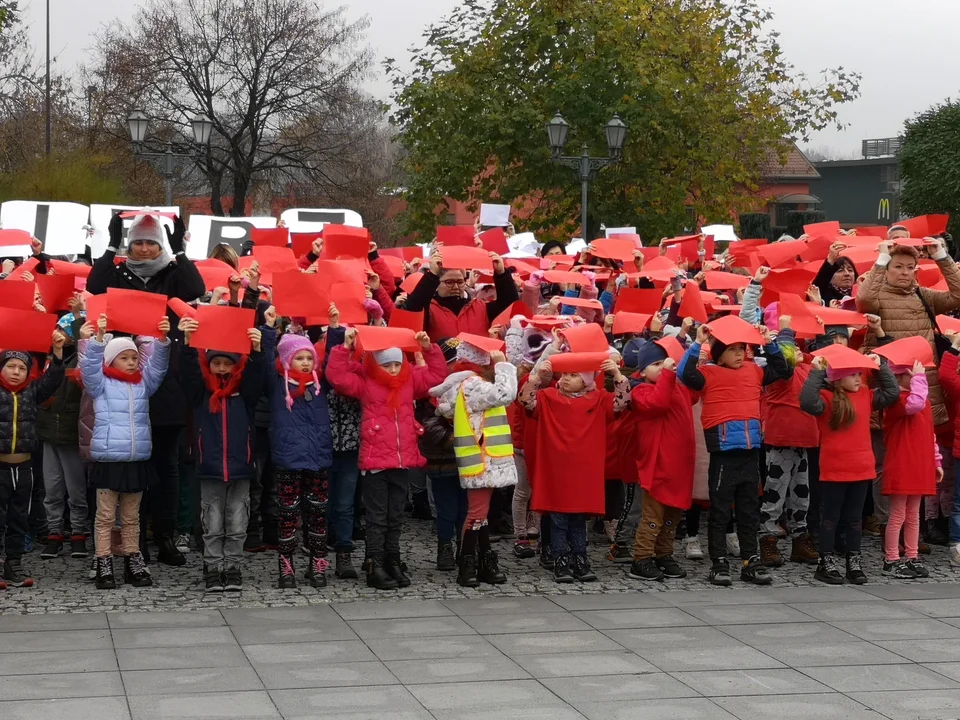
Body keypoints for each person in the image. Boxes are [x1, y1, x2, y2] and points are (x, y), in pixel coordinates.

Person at [87, 212, 206, 567]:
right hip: (122, 381)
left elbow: (196, 289)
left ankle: (165, 535)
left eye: (150, 242)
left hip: (164, 378)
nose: (143, 248)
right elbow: (95, 284)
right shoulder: (119, 273)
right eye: (137, 241)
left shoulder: (172, 273)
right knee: (128, 468)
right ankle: (124, 541)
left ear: (160, 245)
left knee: (166, 465)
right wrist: (111, 242)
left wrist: (180, 248)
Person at [326, 328, 447, 590]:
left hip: (402, 459)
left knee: (395, 516)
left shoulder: (409, 379)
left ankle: (393, 559)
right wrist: (344, 348)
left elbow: (436, 376)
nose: (392, 369)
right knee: (377, 516)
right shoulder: (367, 380)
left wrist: (428, 349)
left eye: (396, 364)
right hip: (376, 462)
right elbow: (337, 377)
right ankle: (374, 563)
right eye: (387, 365)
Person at [678, 318, 793, 587]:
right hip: (723, 453)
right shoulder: (707, 373)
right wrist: (697, 342)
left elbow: (784, 371)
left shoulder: (755, 371)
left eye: (742, 348)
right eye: (732, 349)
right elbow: (685, 374)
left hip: (750, 452)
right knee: (720, 511)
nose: (740, 353)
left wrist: (770, 343)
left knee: (748, 510)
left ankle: (750, 559)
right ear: (719, 353)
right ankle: (719, 561)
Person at [80, 314, 171, 590]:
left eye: (134, 358)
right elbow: (89, 369)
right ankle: (103, 561)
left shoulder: (143, 384)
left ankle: (133, 559)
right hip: (109, 460)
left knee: (132, 517)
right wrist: (97, 340)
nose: (132, 362)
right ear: (111, 360)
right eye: (125, 358)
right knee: (106, 516)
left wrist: (163, 341)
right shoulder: (101, 385)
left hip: (136, 459)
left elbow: (157, 367)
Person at [520, 356, 630, 583]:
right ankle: (560, 559)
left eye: (574, 375)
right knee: (559, 519)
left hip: (583, 471)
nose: (567, 379)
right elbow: (526, 401)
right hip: (557, 469)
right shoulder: (549, 396)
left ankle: (580, 558)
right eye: (566, 375)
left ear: (587, 380)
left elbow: (622, 403)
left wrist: (617, 375)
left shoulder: (599, 399)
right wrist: (536, 377)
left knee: (578, 519)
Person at [179, 316, 267, 593]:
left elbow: (257, 377)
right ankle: (213, 566)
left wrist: (256, 351)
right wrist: (186, 345)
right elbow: (188, 374)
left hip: (240, 466)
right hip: (211, 467)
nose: (221, 369)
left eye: (227, 364)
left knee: (238, 521)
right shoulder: (202, 394)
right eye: (216, 363)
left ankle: (233, 567)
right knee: (212, 522)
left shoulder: (244, 393)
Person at [800, 351, 899, 584]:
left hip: (861, 468)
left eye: (860, 374)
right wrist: (816, 372)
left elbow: (892, 394)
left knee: (855, 520)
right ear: (838, 378)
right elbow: (806, 401)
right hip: (834, 469)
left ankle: (853, 561)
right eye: (852, 374)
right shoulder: (826, 398)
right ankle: (826, 562)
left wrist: (881, 367)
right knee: (831, 518)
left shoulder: (865, 394)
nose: (858, 378)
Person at [429, 335, 518, 587]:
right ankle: (467, 564)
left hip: (483, 458)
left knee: (482, 514)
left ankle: (483, 562)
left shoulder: (466, 383)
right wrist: (503, 367)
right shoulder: (472, 385)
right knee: (477, 514)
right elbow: (504, 393)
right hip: (482, 458)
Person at [856, 238, 960, 428]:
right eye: (898, 266)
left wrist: (941, 257)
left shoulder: (923, 295)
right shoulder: (877, 296)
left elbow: (958, 295)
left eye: (910, 267)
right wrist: (882, 258)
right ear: (886, 269)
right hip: (889, 381)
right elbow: (863, 300)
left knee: (922, 445)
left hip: (924, 378)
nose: (905, 272)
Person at [265, 331, 333, 589]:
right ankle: (286, 565)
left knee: (317, 514)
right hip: (289, 458)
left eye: (309, 358)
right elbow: (263, 363)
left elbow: (335, 364)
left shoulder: (319, 384)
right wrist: (269, 332)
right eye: (298, 358)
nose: (305, 363)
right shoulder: (276, 383)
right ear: (285, 360)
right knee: (288, 514)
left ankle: (318, 563)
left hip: (318, 458)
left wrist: (335, 329)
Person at [0, 332, 67, 588]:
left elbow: (53, 381)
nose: (16, 372)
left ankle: (13, 563)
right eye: (10, 366)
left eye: (21, 368)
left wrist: (58, 354)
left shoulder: (31, 392)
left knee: (19, 517)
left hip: (24, 466)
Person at [627, 341, 695, 582]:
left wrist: (696, 350)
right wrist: (667, 373)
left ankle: (664, 554)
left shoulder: (677, 387)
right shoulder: (640, 392)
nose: (662, 367)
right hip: (658, 464)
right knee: (653, 516)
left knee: (672, 516)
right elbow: (658, 403)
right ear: (642, 371)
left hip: (680, 464)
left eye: (663, 362)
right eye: (655, 364)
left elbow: (694, 387)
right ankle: (641, 557)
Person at [882, 359, 939, 579]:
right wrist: (919, 378)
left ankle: (912, 556)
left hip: (917, 464)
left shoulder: (920, 400)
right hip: (902, 463)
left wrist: (936, 460)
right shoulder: (897, 401)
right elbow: (913, 404)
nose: (917, 376)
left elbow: (929, 433)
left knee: (914, 514)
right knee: (897, 514)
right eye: (911, 374)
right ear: (899, 377)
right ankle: (891, 558)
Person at [38, 314, 89, 561]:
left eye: (64, 329)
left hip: (71, 433)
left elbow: (85, 344)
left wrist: (79, 316)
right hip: (48, 432)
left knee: (76, 489)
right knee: (52, 489)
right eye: (57, 328)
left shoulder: (81, 358)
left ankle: (78, 532)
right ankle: (54, 533)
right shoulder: (49, 358)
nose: (58, 333)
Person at [403, 250, 520, 342]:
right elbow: (414, 307)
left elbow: (510, 304)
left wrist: (501, 274)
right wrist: (432, 275)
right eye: (449, 282)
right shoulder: (430, 308)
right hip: (443, 368)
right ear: (437, 284)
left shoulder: (479, 306)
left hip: (478, 370)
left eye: (460, 282)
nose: (455, 287)